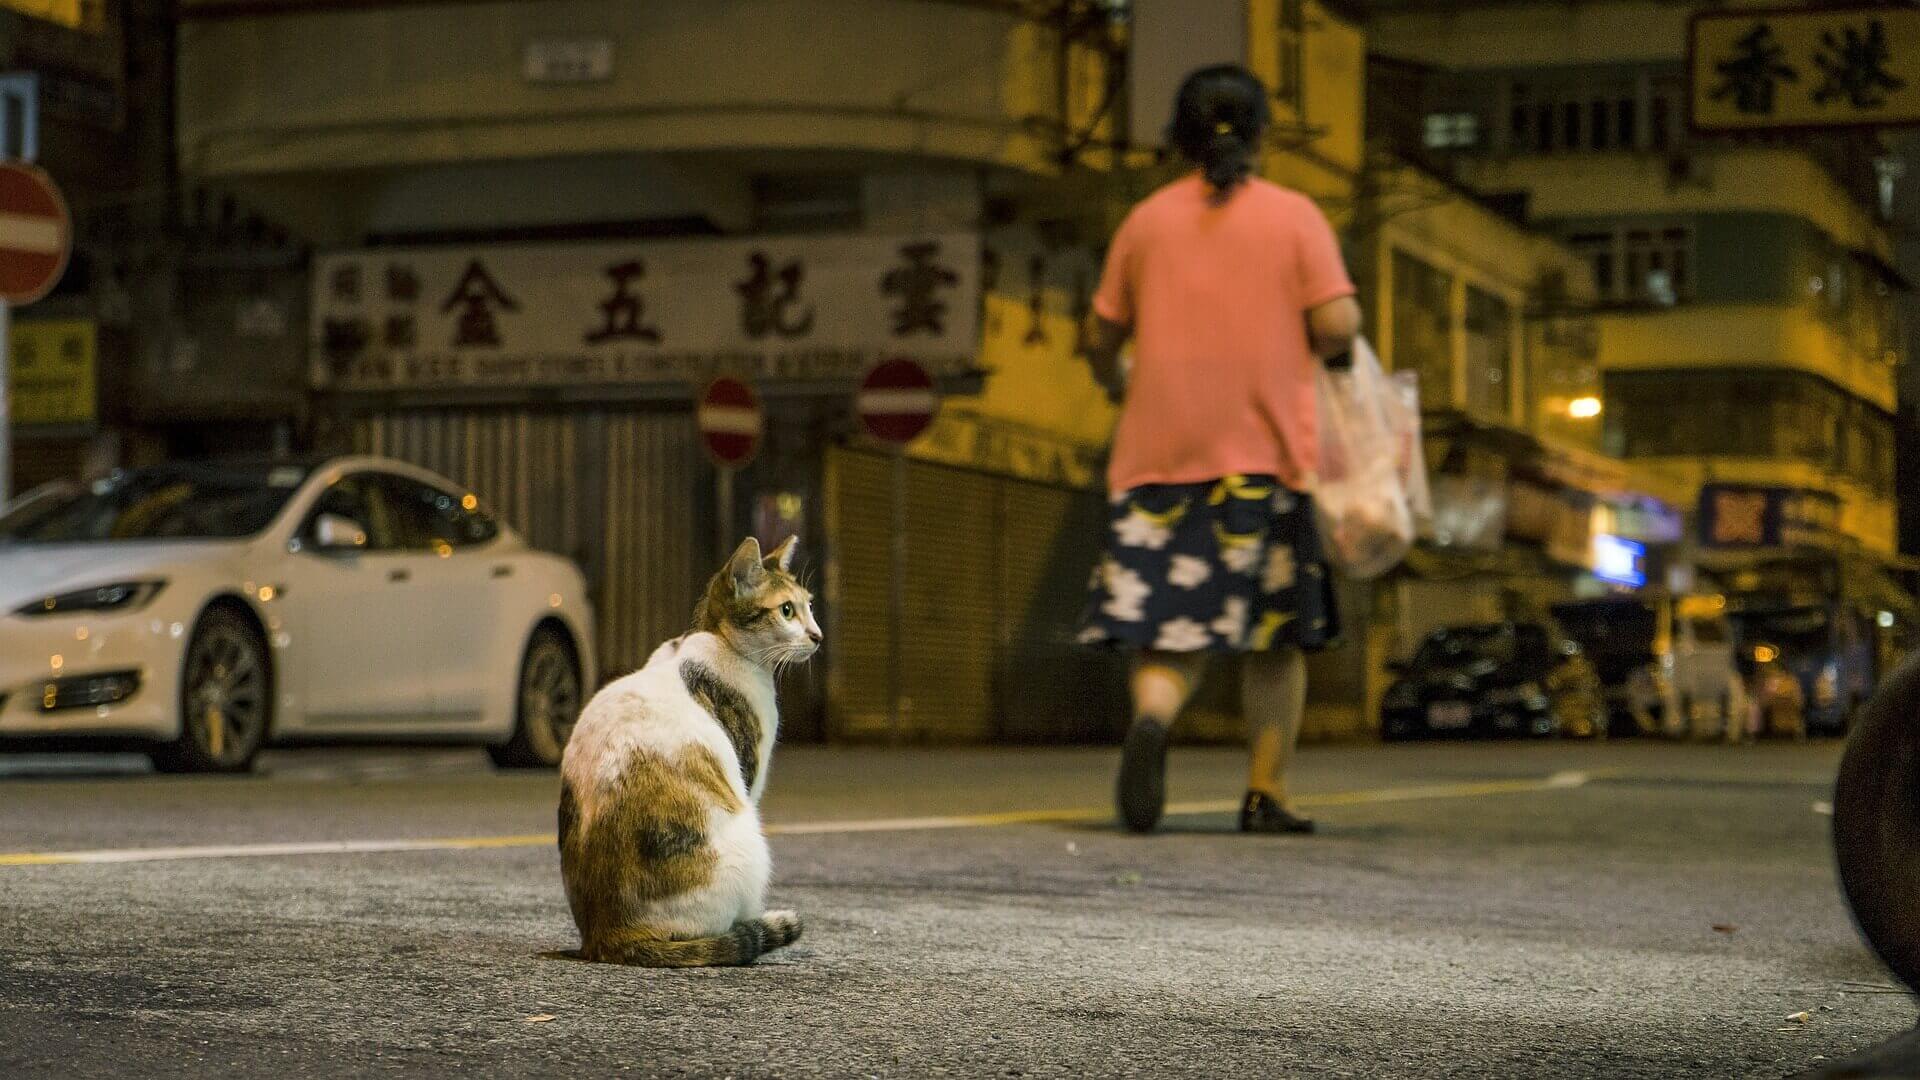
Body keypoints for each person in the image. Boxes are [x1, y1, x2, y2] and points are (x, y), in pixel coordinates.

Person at [1079, 64, 1362, 835]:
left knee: (1170, 626)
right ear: (1264, 133)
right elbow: (1337, 326)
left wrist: (1116, 376)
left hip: (1155, 458)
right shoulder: (1295, 217)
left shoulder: (1145, 224)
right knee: (1272, 640)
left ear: (1178, 138)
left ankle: (1154, 721)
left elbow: (1101, 336)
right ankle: (1265, 790)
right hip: (1262, 459)